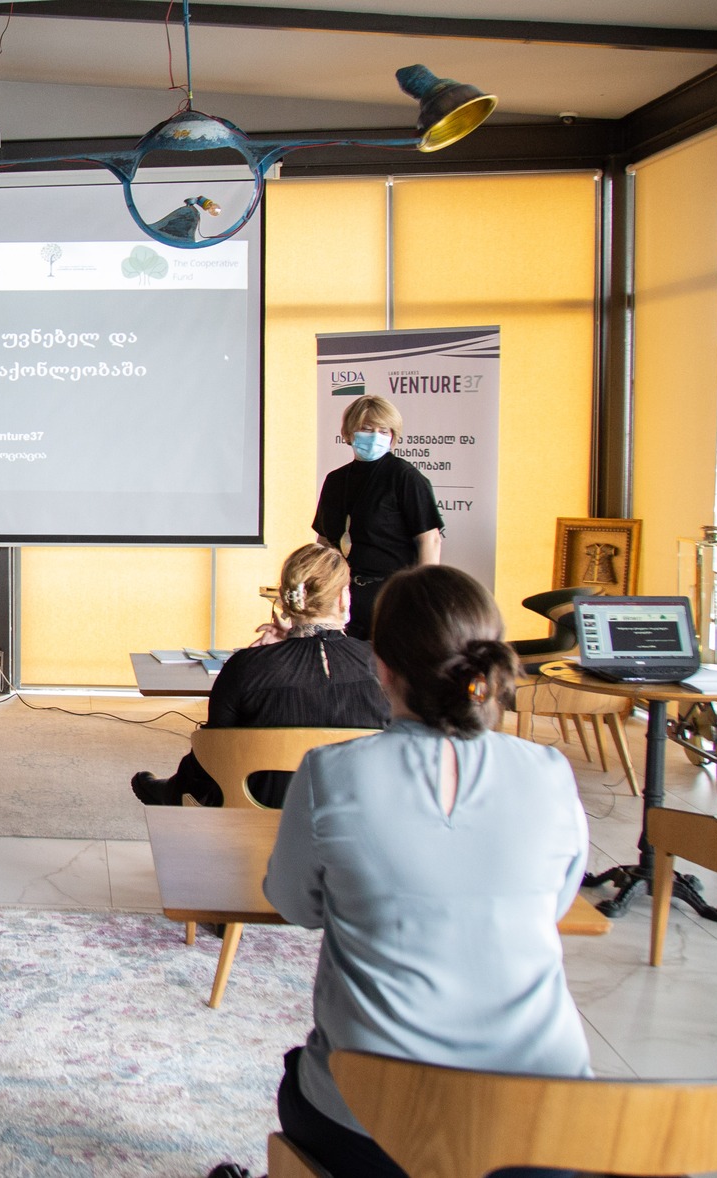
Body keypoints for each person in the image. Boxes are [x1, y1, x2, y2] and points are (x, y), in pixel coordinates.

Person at [261, 565, 588, 1178]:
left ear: (382, 667)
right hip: (545, 1127)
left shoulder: (331, 773)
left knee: (301, 1082)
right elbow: (555, 904)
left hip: (369, 1122)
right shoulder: (550, 774)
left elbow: (294, 904)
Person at [131, 545, 388, 808]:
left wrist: (279, 651)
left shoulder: (245, 667)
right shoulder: (385, 666)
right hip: (360, 813)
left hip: (258, 813)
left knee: (213, 751)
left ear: (286, 599)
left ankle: (174, 791)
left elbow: (213, 754)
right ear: (344, 598)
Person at [312, 394, 444, 639]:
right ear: (349, 432)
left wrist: (422, 596)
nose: (375, 437)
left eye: (384, 431)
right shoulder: (335, 480)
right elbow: (324, 541)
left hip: (391, 595)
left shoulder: (405, 476)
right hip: (342, 595)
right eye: (366, 429)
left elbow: (430, 539)